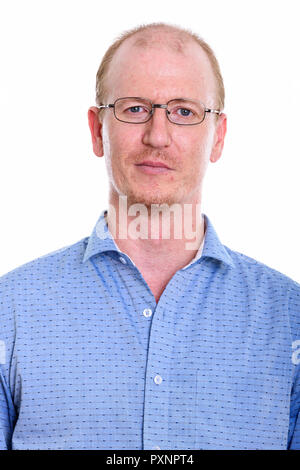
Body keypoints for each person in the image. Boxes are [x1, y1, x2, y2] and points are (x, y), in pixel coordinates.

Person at [0, 22, 299, 451]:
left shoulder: (289, 319)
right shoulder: (10, 312)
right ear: (97, 130)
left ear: (218, 138)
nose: (157, 136)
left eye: (183, 112)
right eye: (135, 108)